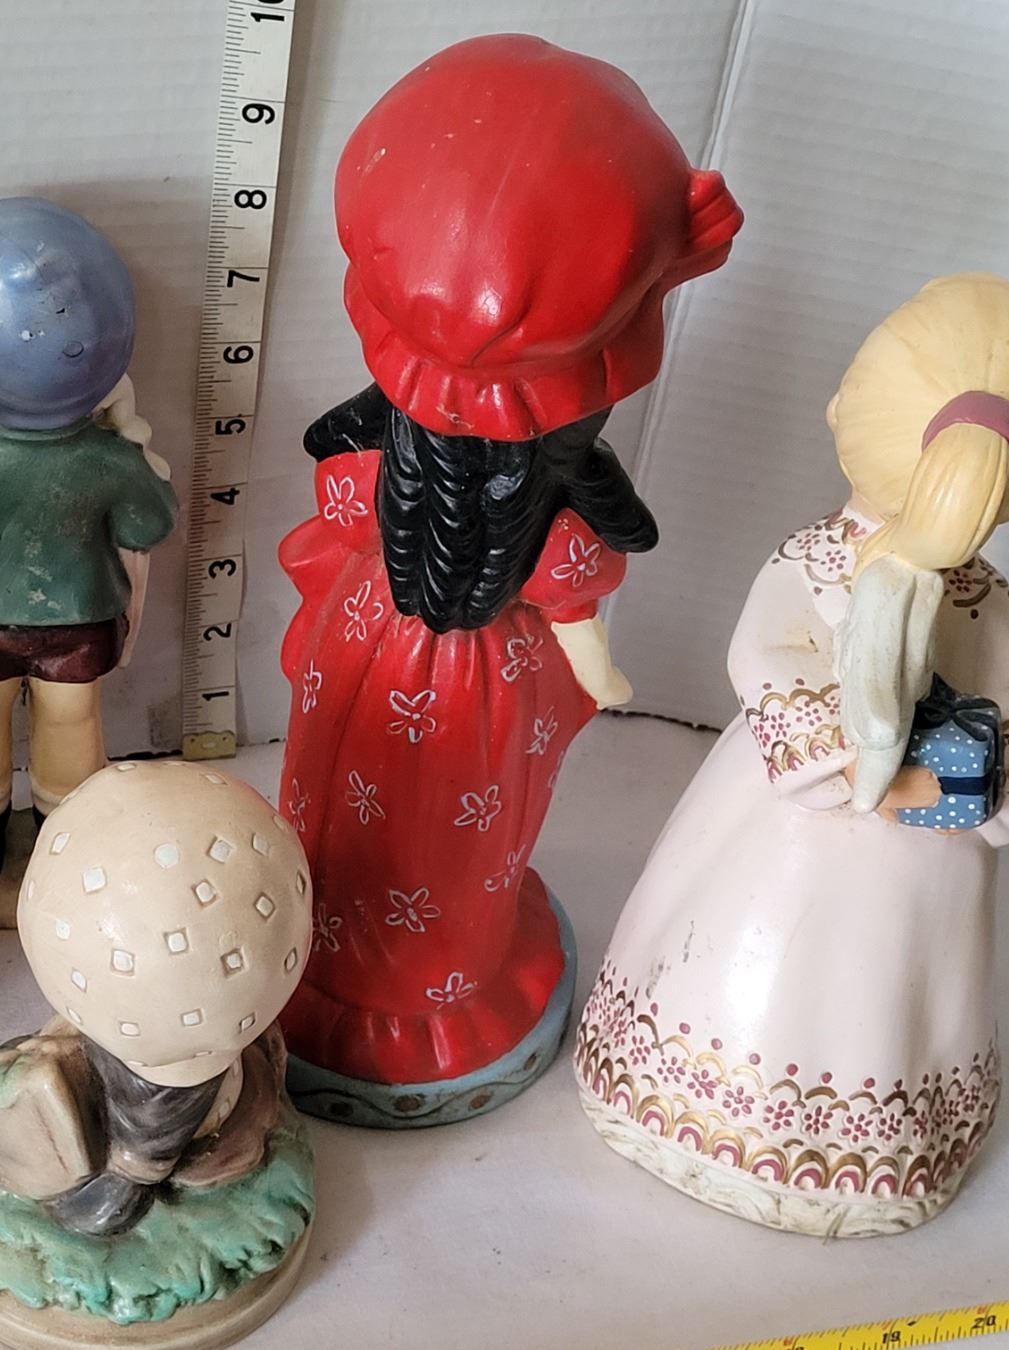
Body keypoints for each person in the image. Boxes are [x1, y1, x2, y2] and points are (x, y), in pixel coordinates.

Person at [275, 34, 742, 1127]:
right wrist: (601, 674)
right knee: (455, 839)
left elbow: (334, 513)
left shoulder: (369, 490)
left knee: (343, 810)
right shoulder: (551, 546)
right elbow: (583, 633)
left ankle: (326, 958)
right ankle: (429, 990)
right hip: (487, 696)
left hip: (364, 645)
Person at [574, 274, 1009, 1236]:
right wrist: (888, 777)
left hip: (865, 812)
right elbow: (1003, 712)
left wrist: (943, 783)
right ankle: (764, 1132)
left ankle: (810, 1147)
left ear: (844, 413)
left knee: (870, 979)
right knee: (869, 978)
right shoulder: (934, 585)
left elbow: (771, 663)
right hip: (832, 809)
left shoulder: (842, 565)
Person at [0, 198, 176, 888]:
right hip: (80, 625)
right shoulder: (112, 460)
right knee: (71, 728)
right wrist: (135, 449)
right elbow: (148, 526)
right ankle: (65, 852)